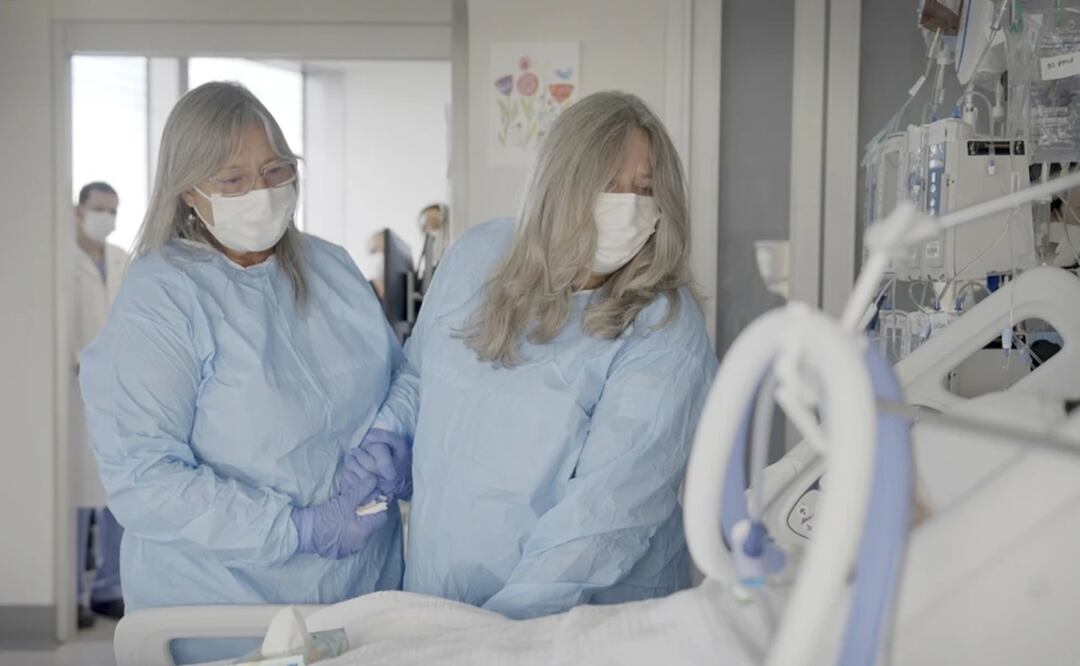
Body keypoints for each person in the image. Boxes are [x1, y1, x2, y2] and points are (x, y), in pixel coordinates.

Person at [79, 82, 408, 664]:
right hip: (221, 611)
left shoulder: (329, 267)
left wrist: (392, 434)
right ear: (188, 190)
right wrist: (298, 530)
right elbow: (145, 476)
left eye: (276, 171)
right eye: (232, 180)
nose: (261, 191)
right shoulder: (165, 296)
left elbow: (400, 376)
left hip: (361, 601)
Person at [362, 91, 719, 620]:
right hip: (441, 598)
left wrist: (501, 639)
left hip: (577, 624)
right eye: (608, 185)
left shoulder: (663, 324)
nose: (629, 206)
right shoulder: (479, 255)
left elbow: (604, 517)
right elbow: (422, 371)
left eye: (644, 191)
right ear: (560, 185)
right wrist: (386, 435)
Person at [70, 181, 129, 627]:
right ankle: (70, 591)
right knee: (75, 497)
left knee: (116, 494)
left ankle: (109, 589)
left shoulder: (121, 260)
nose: (105, 218)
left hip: (115, 392)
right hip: (71, 392)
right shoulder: (61, 261)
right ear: (78, 211)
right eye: (98, 209)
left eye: (112, 210)